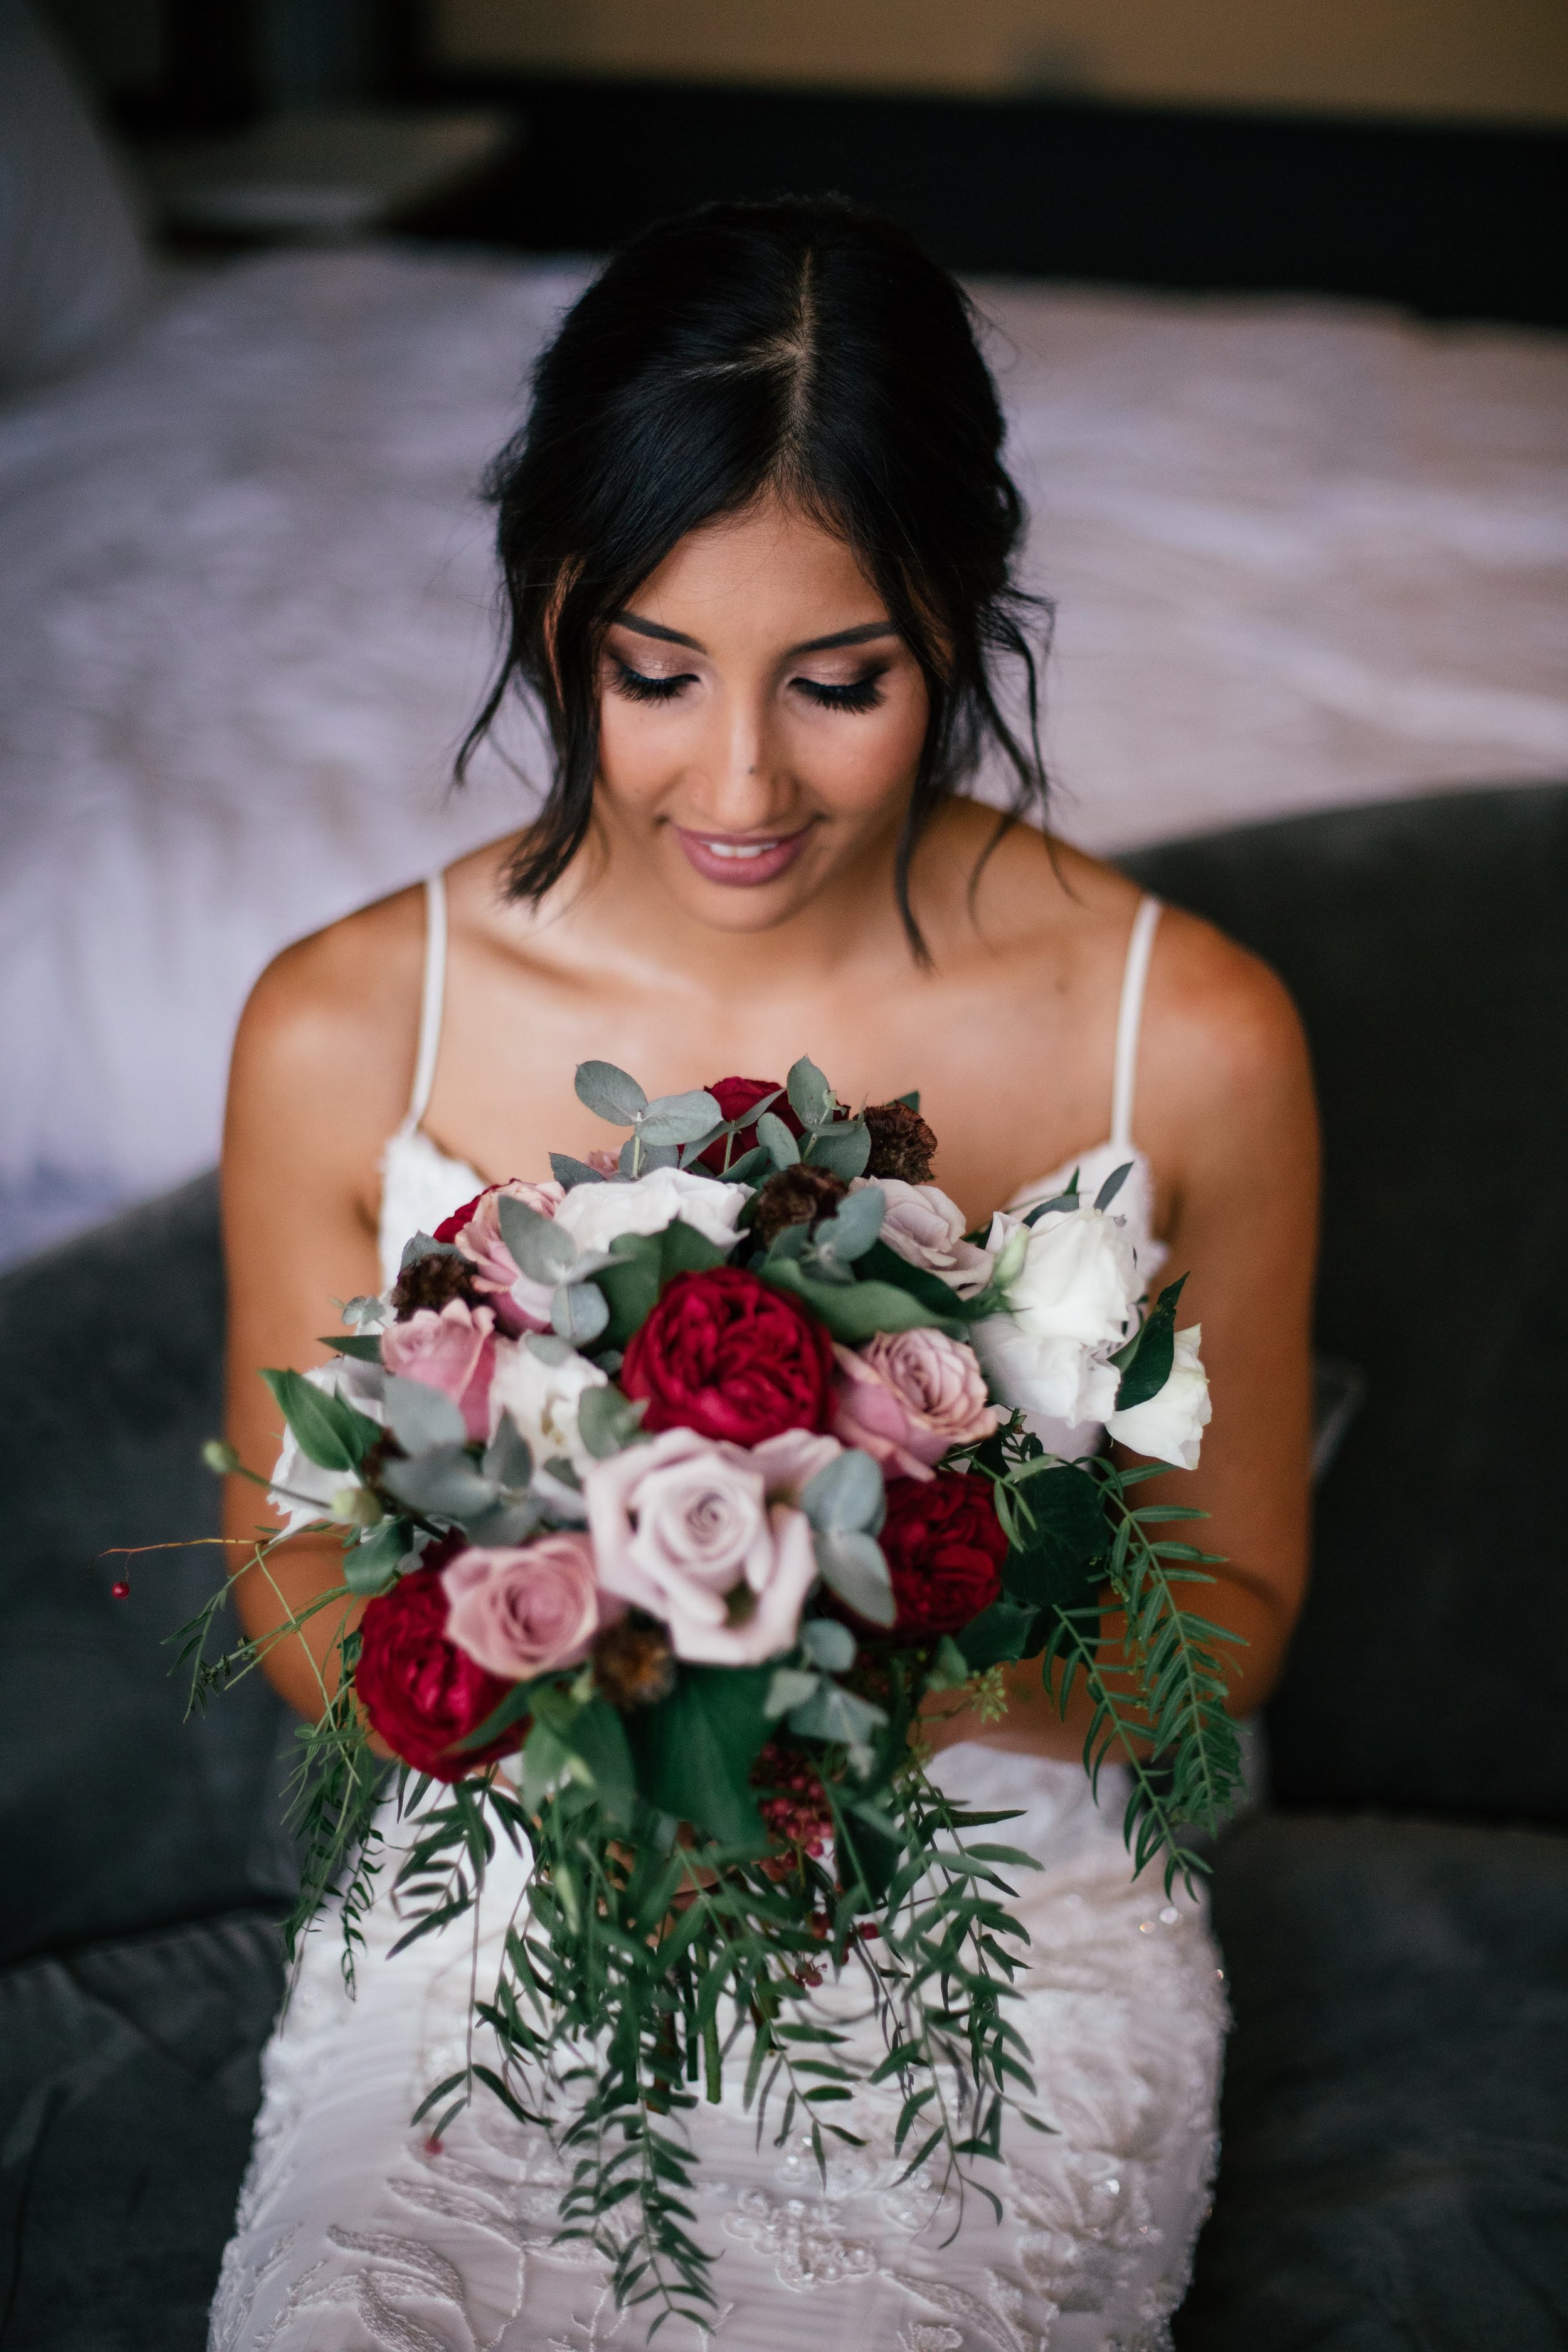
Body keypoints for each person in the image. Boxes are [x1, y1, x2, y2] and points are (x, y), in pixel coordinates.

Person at [212, 199, 1316, 2352]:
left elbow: (1236, 1608)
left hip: (998, 1911)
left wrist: (854, 1678)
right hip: (508, 1894)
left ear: (957, 615)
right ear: (551, 608)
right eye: (651, 673)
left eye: (839, 684)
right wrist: (601, 1713)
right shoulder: (341, 1024)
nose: (736, 783)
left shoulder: (1188, 1037)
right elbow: (290, 1572)